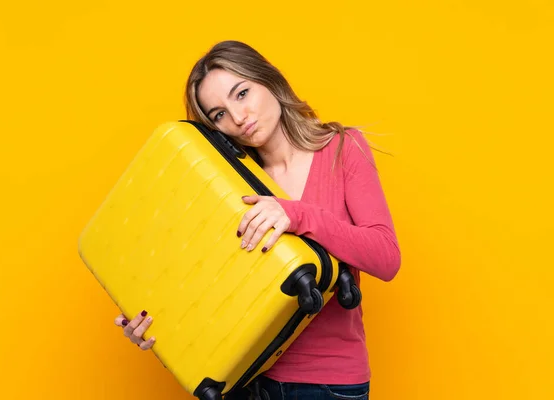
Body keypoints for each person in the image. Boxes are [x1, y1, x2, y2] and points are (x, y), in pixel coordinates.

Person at [113, 40, 401, 399]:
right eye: (218, 114)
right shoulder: (224, 184)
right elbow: (208, 283)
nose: (237, 118)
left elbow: (386, 258)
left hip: (328, 384)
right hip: (243, 381)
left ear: (270, 81)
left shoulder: (343, 149)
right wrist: (156, 323)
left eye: (242, 93)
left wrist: (297, 214)